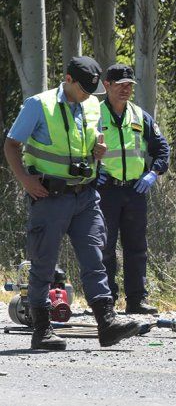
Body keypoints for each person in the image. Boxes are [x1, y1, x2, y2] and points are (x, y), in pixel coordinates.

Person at [3, 56, 140, 350]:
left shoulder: (91, 104)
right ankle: (42, 329)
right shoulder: (38, 105)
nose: (88, 97)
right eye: (83, 90)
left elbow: (94, 136)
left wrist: (98, 148)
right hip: (49, 197)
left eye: (93, 92)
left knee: (96, 258)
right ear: (68, 80)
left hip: (86, 196)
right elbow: (11, 144)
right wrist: (26, 181)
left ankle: (107, 323)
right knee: (43, 264)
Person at [96, 64, 170, 314]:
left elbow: (162, 149)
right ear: (107, 85)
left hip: (135, 191)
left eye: (129, 85)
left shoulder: (140, 115)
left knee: (136, 248)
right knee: (105, 248)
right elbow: (79, 148)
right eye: (120, 85)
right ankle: (106, 301)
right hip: (105, 191)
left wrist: (153, 173)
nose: (125, 90)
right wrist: (93, 172)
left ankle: (136, 301)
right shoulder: (93, 114)